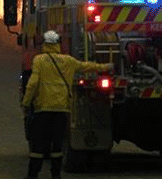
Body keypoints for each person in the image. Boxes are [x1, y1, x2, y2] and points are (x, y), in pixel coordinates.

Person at [21, 30, 113, 179]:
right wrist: (106, 67)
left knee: (38, 147)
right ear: (57, 44)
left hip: (42, 110)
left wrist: (26, 102)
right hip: (61, 109)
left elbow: (32, 84)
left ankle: (33, 175)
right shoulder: (68, 61)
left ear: (44, 44)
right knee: (57, 146)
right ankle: (56, 175)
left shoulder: (39, 60)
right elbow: (86, 66)